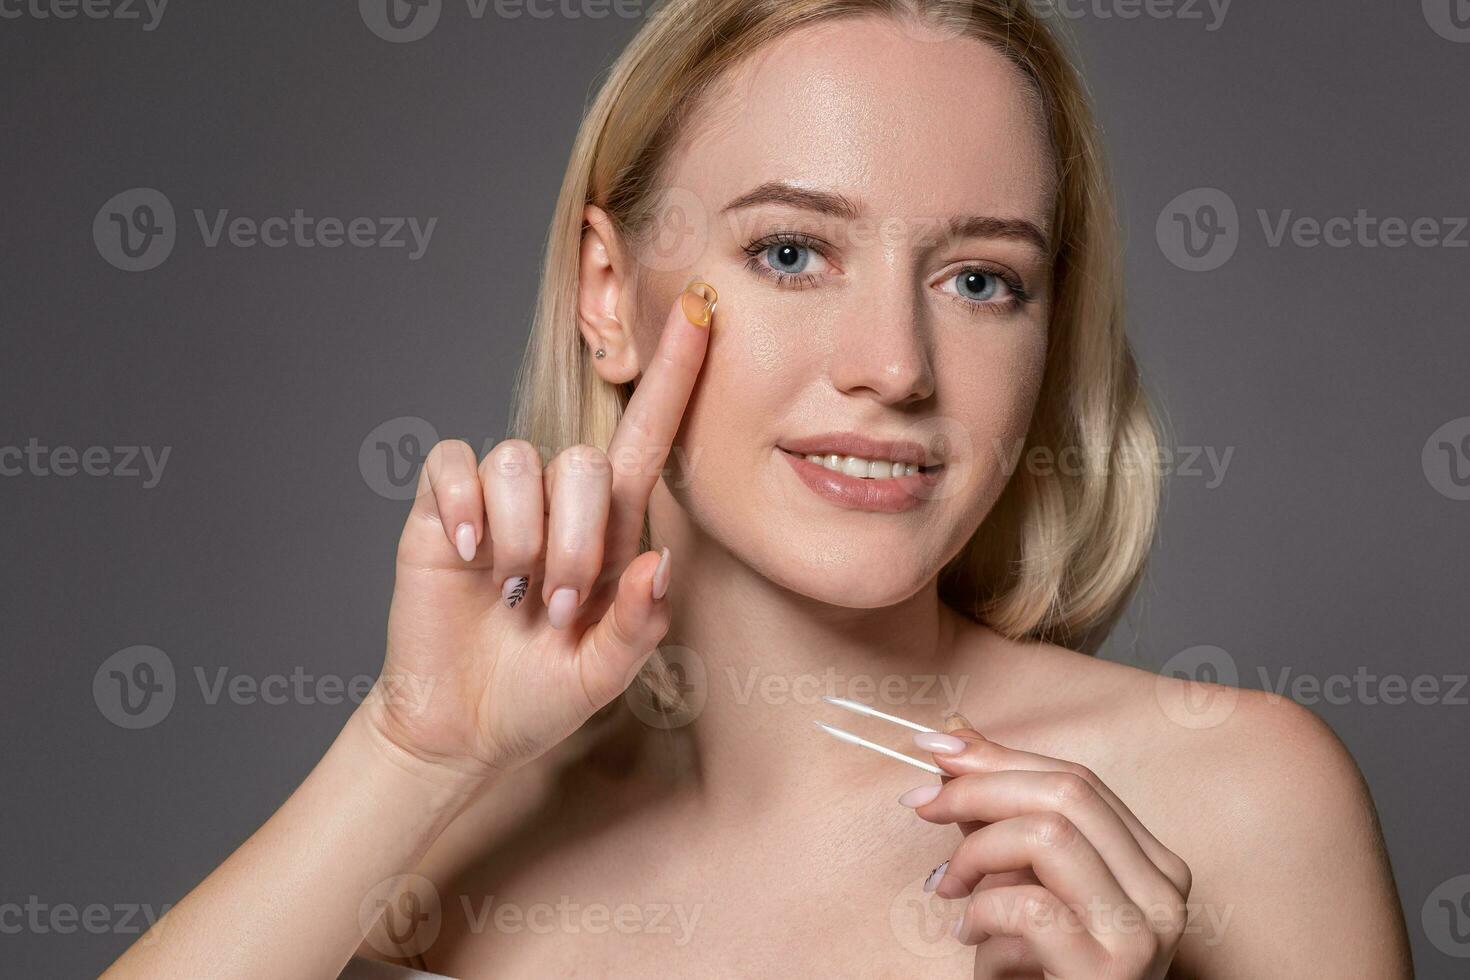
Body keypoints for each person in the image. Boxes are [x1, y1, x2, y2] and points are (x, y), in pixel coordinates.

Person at [102, 0, 1412, 976]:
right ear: (607, 298)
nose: (895, 366)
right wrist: (409, 753)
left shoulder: (1232, 799)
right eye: (792, 251)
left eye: (980, 280)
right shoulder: (460, 826)